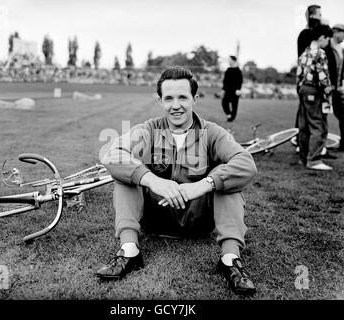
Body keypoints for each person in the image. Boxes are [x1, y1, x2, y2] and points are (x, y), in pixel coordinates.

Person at [97, 66, 258, 296]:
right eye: (169, 98)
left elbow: (247, 163)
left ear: (195, 98)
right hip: (155, 219)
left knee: (227, 176)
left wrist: (202, 185)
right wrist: (152, 180)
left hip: (199, 220)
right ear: (160, 100)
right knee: (127, 174)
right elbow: (113, 153)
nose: (176, 105)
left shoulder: (212, 133)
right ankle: (130, 250)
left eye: (183, 97)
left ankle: (230, 259)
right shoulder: (149, 129)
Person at [296, 24, 334, 170]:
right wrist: (328, 91)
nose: (328, 43)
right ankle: (314, 160)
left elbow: (299, 76)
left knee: (304, 126)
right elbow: (323, 76)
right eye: (327, 39)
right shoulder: (320, 53)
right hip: (314, 90)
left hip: (303, 89)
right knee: (318, 125)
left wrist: (301, 89)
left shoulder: (304, 53)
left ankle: (304, 158)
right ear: (322, 37)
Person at [325, 24, 344, 152]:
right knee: (320, 117)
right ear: (336, 32)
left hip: (338, 88)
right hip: (327, 88)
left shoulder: (341, 50)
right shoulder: (327, 48)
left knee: (341, 115)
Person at [221, 56, 243, 122]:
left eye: (229, 60)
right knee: (224, 103)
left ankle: (231, 119)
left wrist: (238, 89)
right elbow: (225, 81)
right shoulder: (228, 70)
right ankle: (228, 114)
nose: (228, 61)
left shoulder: (238, 71)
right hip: (228, 90)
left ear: (234, 60)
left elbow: (240, 81)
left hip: (235, 91)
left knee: (234, 106)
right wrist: (223, 89)